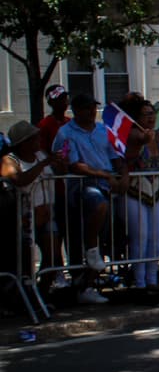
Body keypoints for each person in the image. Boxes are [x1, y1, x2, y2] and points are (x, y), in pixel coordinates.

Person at [52, 93, 124, 303]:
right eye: (86, 108)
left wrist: (124, 175)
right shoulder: (65, 133)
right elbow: (74, 164)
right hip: (83, 186)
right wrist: (104, 175)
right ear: (76, 111)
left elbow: (116, 157)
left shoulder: (103, 130)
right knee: (97, 204)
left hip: (107, 183)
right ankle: (90, 252)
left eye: (93, 108)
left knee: (113, 228)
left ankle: (91, 281)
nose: (92, 112)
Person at [120, 97, 159, 292]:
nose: (151, 118)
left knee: (157, 236)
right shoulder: (131, 135)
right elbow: (130, 153)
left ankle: (152, 280)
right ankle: (139, 283)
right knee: (141, 236)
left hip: (154, 192)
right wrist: (144, 140)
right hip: (134, 192)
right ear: (136, 117)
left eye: (152, 114)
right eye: (146, 115)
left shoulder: (158, 137)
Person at [2, 120, 66, 295]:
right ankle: (21, 297)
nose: (38, 140)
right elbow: (19, 180)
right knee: (23, 262)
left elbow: (58, 173)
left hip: (46, 215)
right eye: (33, 137)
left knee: (52, 257)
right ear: (23, 142)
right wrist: (43, 165)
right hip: (23, 219)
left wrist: (59, 163)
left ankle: (42, 295)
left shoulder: (41, 155)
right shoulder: (9, 160)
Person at [37, 84, 71, 153]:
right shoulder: (44, 125)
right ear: (51, 103)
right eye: (60, 99)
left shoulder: (70, 122)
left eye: (65, 98)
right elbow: (41, 151)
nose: (64, 101)